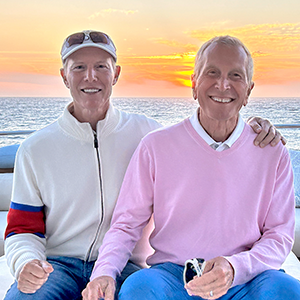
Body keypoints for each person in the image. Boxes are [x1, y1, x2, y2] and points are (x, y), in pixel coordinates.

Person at [4, 30, 282, 300]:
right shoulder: (35, 149)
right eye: (79, 67)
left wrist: (253, 129)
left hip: (127, 265)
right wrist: (26, 262)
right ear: (64, 76)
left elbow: (210, 136)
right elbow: (22, 229)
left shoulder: (147, 134)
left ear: (116, 74)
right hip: (58, 267)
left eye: (101, 66)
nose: (91, 76)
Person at [82, 35, 300, 300]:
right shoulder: (156, 146)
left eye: (235, 75)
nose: (223, 84)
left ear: (248, 91)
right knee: (137, 290)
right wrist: (103, 272)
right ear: (194, 84)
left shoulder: (272, 152)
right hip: (173, 277)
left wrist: (234, 268)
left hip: (247, 278)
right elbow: (126, 224)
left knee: (288, 291)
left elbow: (279, 236)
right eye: (212, 72)